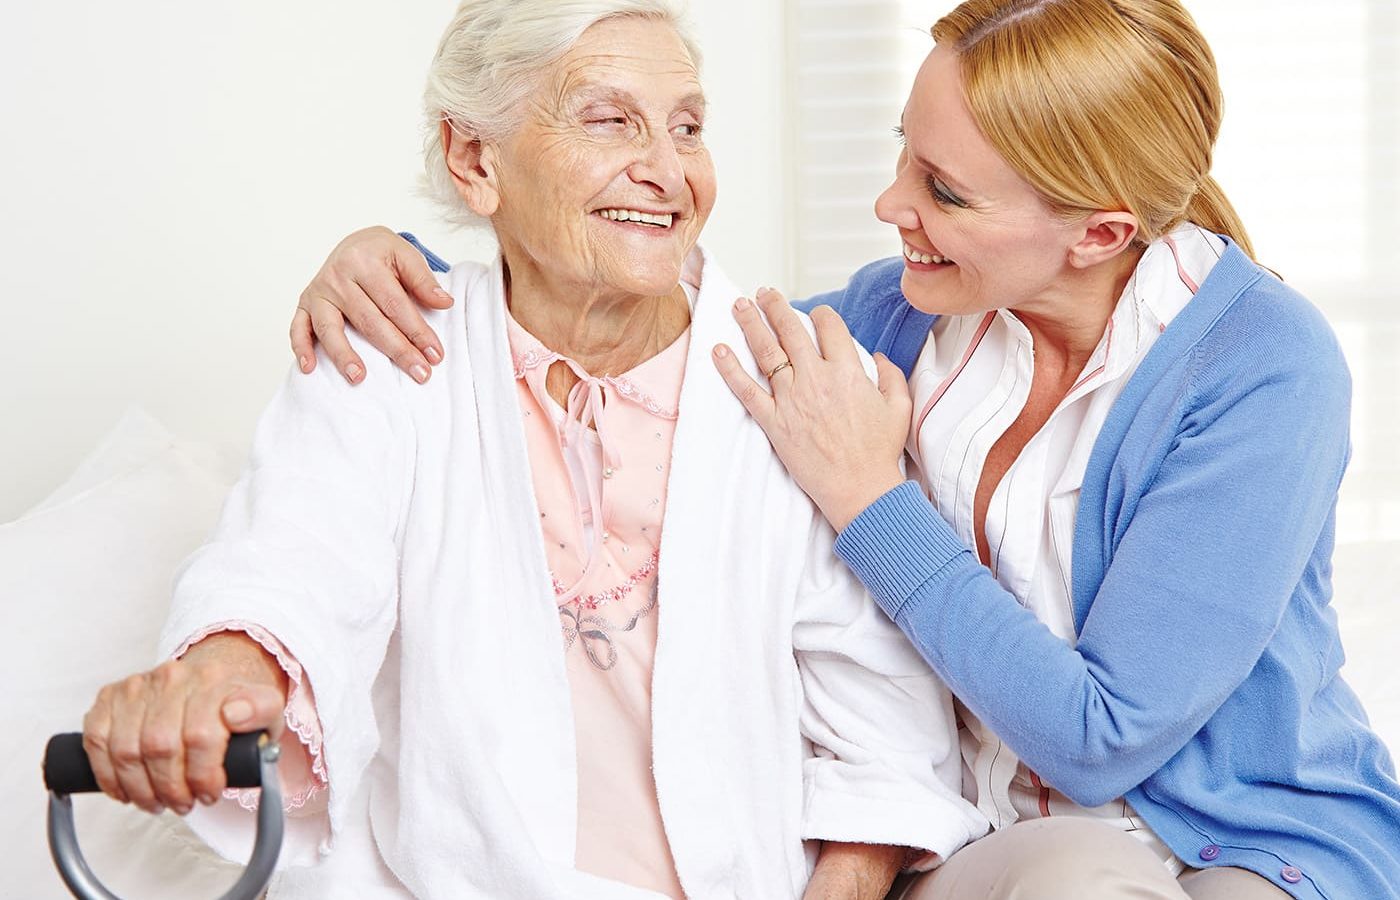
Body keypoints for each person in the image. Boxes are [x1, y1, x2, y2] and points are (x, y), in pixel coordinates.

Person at [290, 1, 1400, 898]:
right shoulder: (902, 313)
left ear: (1100, 234)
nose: (888, 206)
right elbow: (642, 312)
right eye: (902, 158)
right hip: (991, 840)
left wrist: (869, 497)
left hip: (1241, 834)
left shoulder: (1261, 367)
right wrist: (400, 269)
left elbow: (1099, 739)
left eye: (942, 191)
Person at [79, 2, 991, 898]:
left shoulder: (801, 385)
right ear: (476, 160)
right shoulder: (386, 360)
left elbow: (886, 739)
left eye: (688, 127)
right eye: (609, 121)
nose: (668, 173)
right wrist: (218, 675)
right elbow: (292, 565)